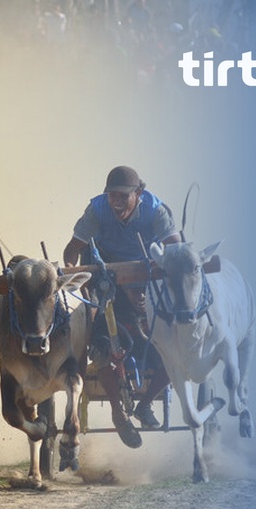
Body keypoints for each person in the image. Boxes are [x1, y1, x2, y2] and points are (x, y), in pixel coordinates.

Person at [63, 165, 180, 449]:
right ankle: (119, 412)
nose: (116, 202)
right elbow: (72, 250)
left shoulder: (156, 211)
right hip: (109, 284)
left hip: (149, 279)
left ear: (138, 193)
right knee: (103, 346)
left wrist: (156, 286)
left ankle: (145, 405)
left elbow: (176, 250)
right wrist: (72, 274)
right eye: (112, 195)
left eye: (123, 196)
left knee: (175, 354)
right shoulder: (97, 210)